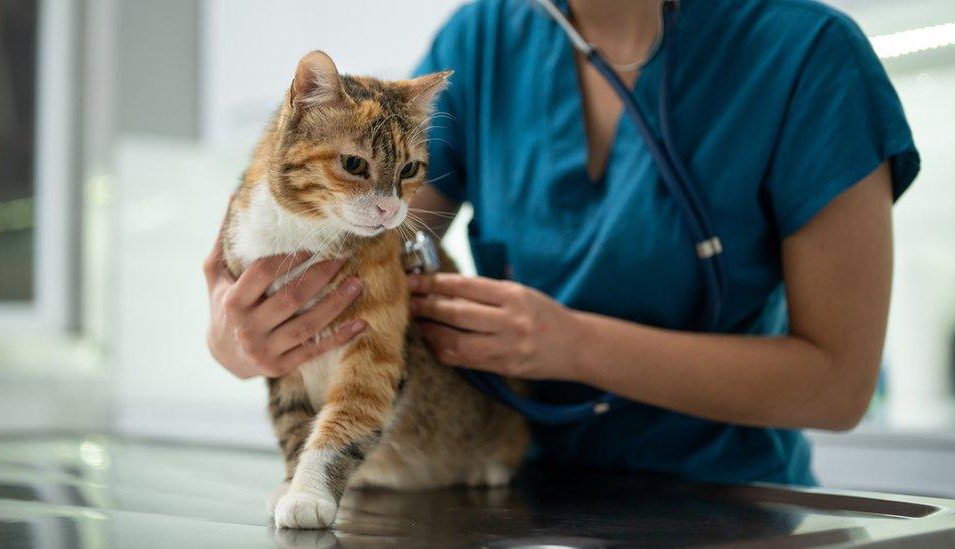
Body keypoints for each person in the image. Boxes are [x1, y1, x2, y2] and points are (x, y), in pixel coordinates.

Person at [203, 0, 919, 486]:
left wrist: (570, 344)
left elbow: (838, 385)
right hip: (510, 491)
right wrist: (241, 334)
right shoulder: (485, 39)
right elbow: (362, 251)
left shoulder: (810, 57)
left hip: (729, 507)